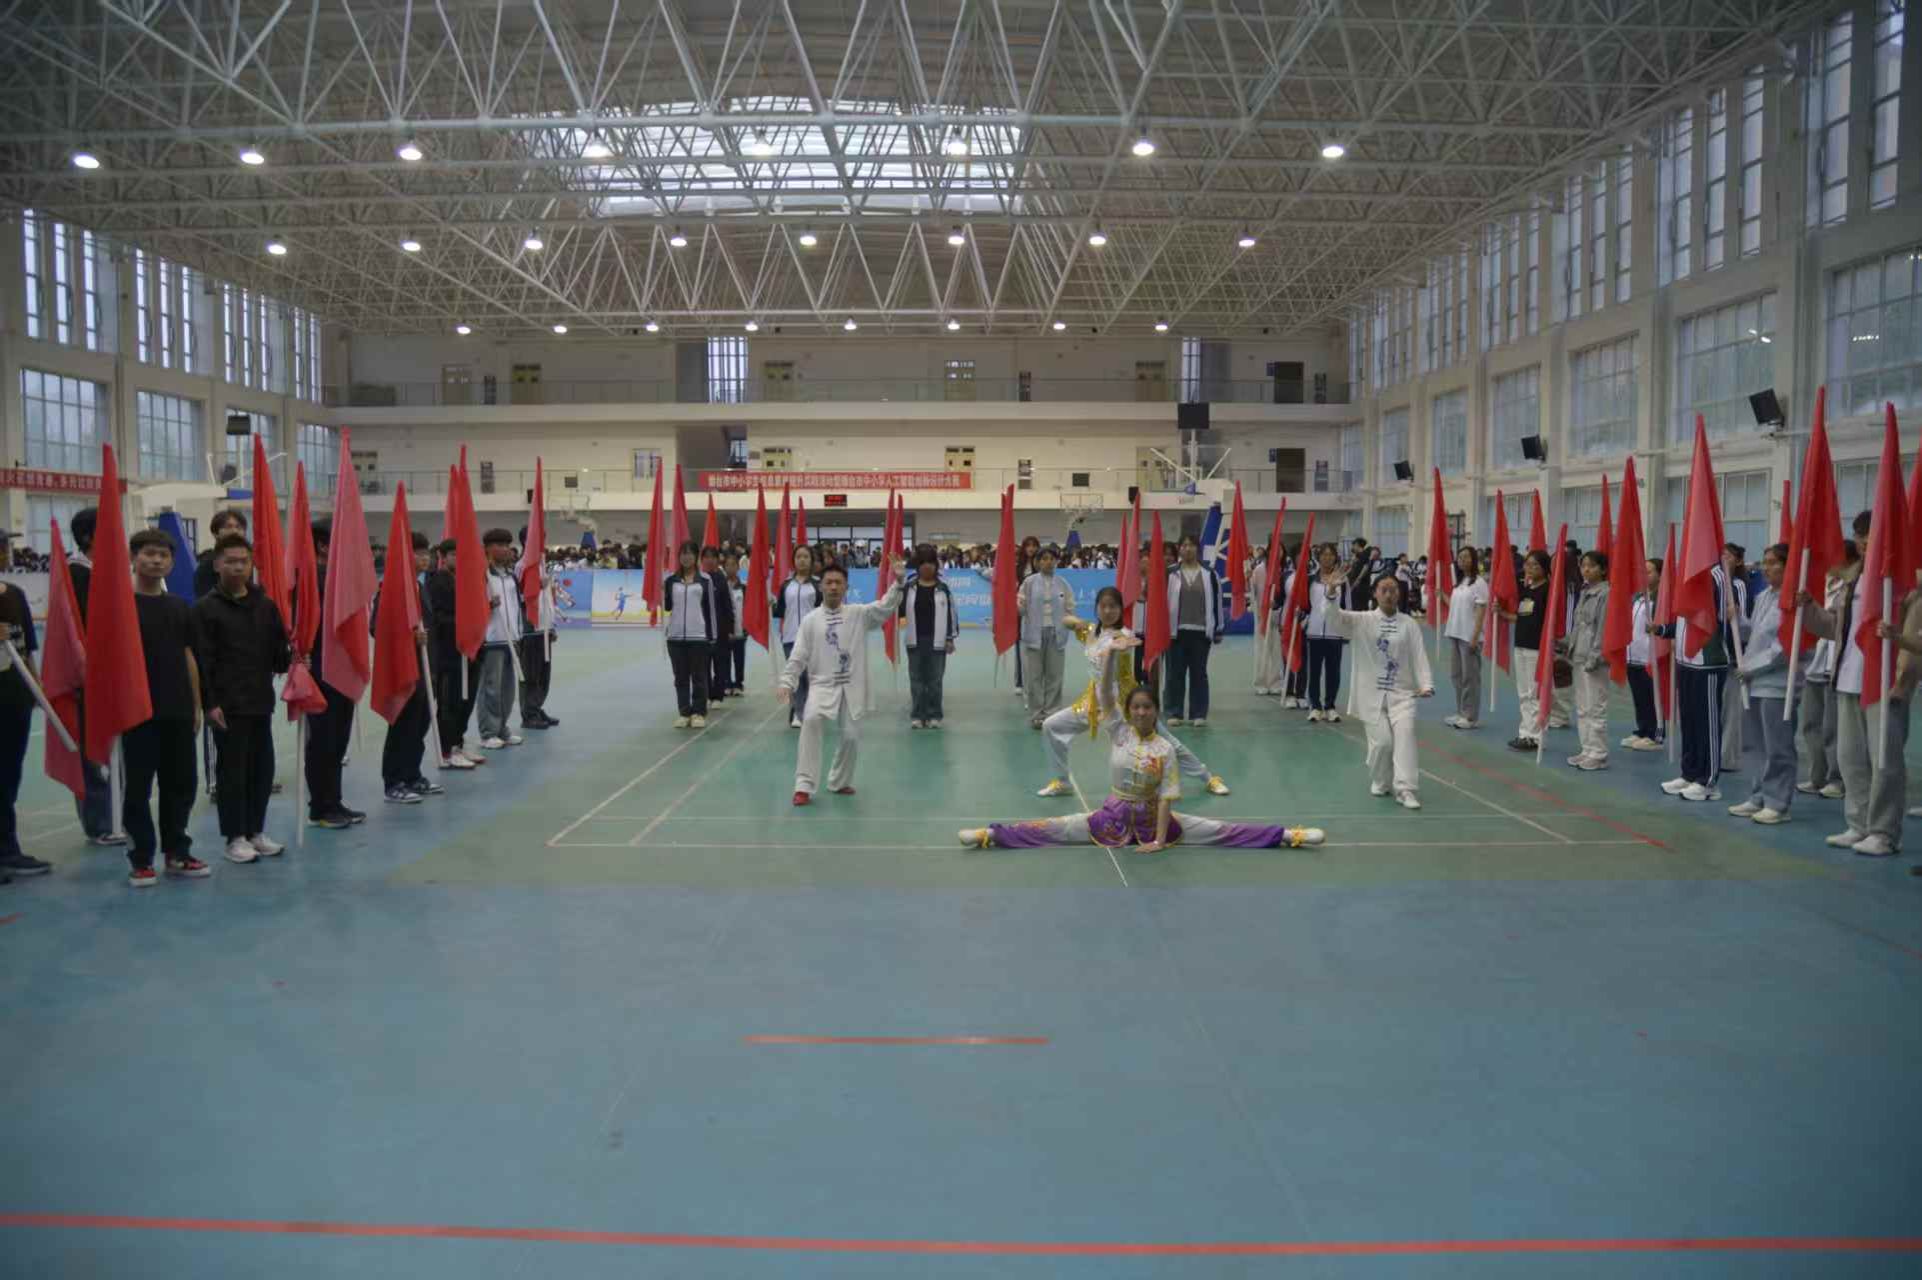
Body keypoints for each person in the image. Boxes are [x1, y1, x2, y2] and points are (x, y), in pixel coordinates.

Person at [962, 686, 1322, 851]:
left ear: (1156, 712)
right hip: (1110, 820)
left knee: (1220, 830)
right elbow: (1105, 695)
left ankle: (1288, 836)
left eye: (1147, 707)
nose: (1141, 712)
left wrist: (1160, 841)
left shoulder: (1165, 749)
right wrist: (1108, 655)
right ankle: (990, 835)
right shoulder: (1119, 733)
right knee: (1054, 828)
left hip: (1155, 821)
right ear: (1128, 711)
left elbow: (1166, 798)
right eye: (1135, 707)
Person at [1796, 511, 1920, 856]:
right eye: (1859, 535)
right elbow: (1834, 627)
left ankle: (1883, 832)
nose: (1863, 542)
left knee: (1884, 762)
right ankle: (1859, 824)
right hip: (1848, 679)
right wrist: (1809, 608)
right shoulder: (1853, 580)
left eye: (1871, 534)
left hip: (1885, 684)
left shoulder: (1906, 584)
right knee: (1849, 758)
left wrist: (1900, 669)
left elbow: (1914, 641)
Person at [1036, 586, 1230, 799]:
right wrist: (1077, 622)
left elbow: (1117, 654)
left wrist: (1114, 647)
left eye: (1113, 606)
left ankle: (1207, 777)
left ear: (1121, 609)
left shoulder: (1124, 636)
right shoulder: (1090, 632)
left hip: (1123, 703)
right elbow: (1065, 620)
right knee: (1051, 726)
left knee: (1166, 741)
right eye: (1103, 606)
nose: (1108, 611)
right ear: (1097, 608)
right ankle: (1062, 782)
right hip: (1093, 701)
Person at [118, 528, 211, 882]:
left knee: (181, 784)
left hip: (178, 709)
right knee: (138, 788)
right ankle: (141, 858)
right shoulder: (121, 606)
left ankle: (177, 852)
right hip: (137, 712)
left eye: (163, 555)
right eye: (149, 554)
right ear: (133, 557)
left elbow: (188, 655)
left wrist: (196, 704)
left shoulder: (179, 607)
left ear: (172, 562)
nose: (156, 560)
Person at [192, 534, 290, 864]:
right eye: (230, 561)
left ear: (251, 565)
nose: (238, 567)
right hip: (227, 706)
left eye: (243, 561)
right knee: (232, 773)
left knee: (262, 770)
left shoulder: (265, 605)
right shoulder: (205, 609)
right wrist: (209, 703)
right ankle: (234, 837)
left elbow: (278, 655)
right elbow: (202, 662)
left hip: (260, 701)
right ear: (217, 565)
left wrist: (293, 653)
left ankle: (255, 831)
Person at [778, 559, 904, 804]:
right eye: (829, 582)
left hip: (852, 686)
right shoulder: (811, 620)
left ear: (846, 587)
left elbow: (885, 606)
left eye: (838, 582)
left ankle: (839, 781)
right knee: (810, 721)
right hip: (821, 685)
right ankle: (803, 786)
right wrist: (787, 681)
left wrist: (898, 582)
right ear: (821, 587)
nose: (833, 587)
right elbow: (799, 654)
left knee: (850, 737)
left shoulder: (859, 614)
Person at [1327, 576, 1435, 809]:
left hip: (1402, 694)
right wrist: (1332, 594)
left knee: (1405, 736)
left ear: (1399, 594)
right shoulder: (1362, 620)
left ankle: (1405, 789)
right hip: (1370, 695)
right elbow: (1335, 620)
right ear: (1375, 593)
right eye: (1383, 589)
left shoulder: (1409, 624)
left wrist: (1426, 683)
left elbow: (1419, 655)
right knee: (1383, 744)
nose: (1388, 594)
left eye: (1393, 590)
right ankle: (1380, 779)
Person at [1654, 544, 1739, 804]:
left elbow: (1721, 620)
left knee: (1707, 724)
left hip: (1708, 661)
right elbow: (1685, 618)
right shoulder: (1688, 576)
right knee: (1689, 721)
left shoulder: (1717, 577)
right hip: (1685, 660)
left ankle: (1708, 781)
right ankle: (1689, 773)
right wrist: (1663, 630)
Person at [63, 507, 123, 846]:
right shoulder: (77, 574)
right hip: (89, 679)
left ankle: (116, 816)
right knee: (93, 752)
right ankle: (99, 823)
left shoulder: (109, 572)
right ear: (88, 536)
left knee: (115, 750)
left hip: (113, 676)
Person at [302, 519, 364, 829]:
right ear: (324, 545)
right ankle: (320, 807)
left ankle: (334, 800)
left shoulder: (339, 577)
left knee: (338, 739)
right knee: (324, 740)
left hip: (343, 666)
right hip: (321, 668)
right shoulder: (313, 578)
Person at [1729, 544, 1794, 824]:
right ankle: (1758, 795)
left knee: (1777, 746)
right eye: (1764, 562)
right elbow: (1755, 634)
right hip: (1753, 681)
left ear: (1787, 566)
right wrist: (1738, 620)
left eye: (1773, 562)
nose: (1766, 568)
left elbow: (1784, 648)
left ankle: (1777, 802)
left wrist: (1751, 668)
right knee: (1756, 744)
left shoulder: (1793, 600)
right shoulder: (1764, 596)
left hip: (1777, 684)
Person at [378, 532, 441, 804]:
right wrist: (409, 637)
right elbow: (377, 626)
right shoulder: (391, 589)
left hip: (425, 668)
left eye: (427, 553)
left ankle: (412, 774)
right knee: (402, 726)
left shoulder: (420, 586)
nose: (425, 558)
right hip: (404, 668)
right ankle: (394, 782)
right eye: (418, 553)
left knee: (420, 724)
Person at [0, 563, 49, 885]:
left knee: (7, 777)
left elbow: (27, 650)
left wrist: (36, 689)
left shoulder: (15, 595)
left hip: (14, 699)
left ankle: (7, 849)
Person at [1795, 549, 1856, 799]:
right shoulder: (1820, 585)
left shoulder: (1849, 590)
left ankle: (1837, 779)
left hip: (1833, 668)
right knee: (1810, 726)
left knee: (1833, 729)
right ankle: (1816, 776)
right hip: (1813, 667)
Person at [425, 538, 485, 771]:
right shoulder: (437, 582)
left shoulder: (466, 580)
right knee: (449, 703)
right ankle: (447, 750)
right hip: (449, 653)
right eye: (453, 555)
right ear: (443, 556)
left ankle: (458, 743)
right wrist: (463, 621)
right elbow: (437, 618)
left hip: (470, 650)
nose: (458, 560)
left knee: (466, 701)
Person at [1163, 534, 1223, 727]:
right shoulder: (1169, 573)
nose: (1188, 549)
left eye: (1191, 545)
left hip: (1201, 633)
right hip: (1175, 632)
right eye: (1184, 545)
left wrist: (1219, 628)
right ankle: (1174, 712)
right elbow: (1160, 604)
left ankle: (1198, 713)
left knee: (1199, 673)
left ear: (1198, 548)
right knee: (1174, 673)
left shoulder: (1210, 574)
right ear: (1179, 549)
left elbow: (1217, 603)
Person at [475, 528, 524, 749]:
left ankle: (502, 728)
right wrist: (487, 605)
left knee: (507, 690)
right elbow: (471, 607)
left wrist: (518, 634)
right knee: (491, 689)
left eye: (507, 545)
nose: (505, 550)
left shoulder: (510, 575)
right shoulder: (481, 575)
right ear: (487, 549)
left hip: (511, 639)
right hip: (491, 640)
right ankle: (488, 733)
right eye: (500, 545)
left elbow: (516, 606)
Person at [1501, 549, 1554, 752]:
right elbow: (1521, 617)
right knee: (1523, 693)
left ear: (1545, 568)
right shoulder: (1527, 589)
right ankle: (1525, 733)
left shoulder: (1548, 591)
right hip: (1520, 645)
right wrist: (1502, 613)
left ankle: (1537, 736)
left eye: (1535, 565)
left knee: (1535, 693)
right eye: (1527, 564)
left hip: (1537, 649)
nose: (1529, 568)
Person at [1017, 544, 1075, 728]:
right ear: (1037, 562)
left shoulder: (1063, 583)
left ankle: (1052, 713)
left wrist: (1071, 623)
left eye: (1052, 559)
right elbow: (1020, 606)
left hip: (1056, 634)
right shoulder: (1029, 583)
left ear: (1056, 561)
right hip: (1034, 633)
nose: (1048, 562)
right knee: (1034, 677)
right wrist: (1016, 605)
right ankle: (1036, 714)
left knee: (1054, 676)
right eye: (1044, 559)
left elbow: (1070, 607)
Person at [899, 546, 956, 728]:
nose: (926, 566)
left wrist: (950, 638)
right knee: (916, 680)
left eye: (930, 562)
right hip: (914, 641)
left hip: (937, 642)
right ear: (917, 565)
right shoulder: (908, 587)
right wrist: (897, 583)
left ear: (936, 565)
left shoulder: (943, 588)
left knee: (935, 681)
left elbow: (951, 615)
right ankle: (917, 715)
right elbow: (898, 609)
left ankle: (934, 715)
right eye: (922, 562)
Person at [1564, 550, 1611, 770]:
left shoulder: (1605, 594)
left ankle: (1599, 753)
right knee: (1582, 707)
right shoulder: (1584, 592)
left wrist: (1595, 657)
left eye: (1591, 566)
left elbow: (1602, 629)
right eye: (1583, 566)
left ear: (1603, 569)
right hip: (1579, 656)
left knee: (1596, 707)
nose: (1586, 570)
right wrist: (1568, 646)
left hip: (1595, 660)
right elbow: (1578, 626)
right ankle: (1587, 749)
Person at [664, 540, 716, 729]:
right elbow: (668, 606)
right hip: (675, 637)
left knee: (699, 677)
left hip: (699, 637)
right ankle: (684, 712)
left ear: (696, 557)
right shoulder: (671, 581)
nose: (686, 557)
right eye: (683, 554)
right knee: (680, 678)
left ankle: (698, 712)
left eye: (690, 553)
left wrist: (712, 636)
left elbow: (710, 611)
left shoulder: (705, 580)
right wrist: (661, 591)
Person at [772, 544, 821, 730]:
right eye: (798, 556)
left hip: (813, 638)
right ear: (793, 560)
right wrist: (770, 604)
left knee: (810, 677)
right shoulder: (786, 585)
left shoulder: (818, 585)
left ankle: (810, 710)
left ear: (811, 560)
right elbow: (780, 611)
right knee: (796, 677)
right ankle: (798, 713)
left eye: (806, 557)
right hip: (790, 637)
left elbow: (823, 610)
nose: (802, 560)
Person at [1442, 543, 1488, 730]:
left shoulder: (1479, 583)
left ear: (1474, 560)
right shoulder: (1460, 583)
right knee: (1457, 676)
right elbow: (1455, 606)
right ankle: (1461, 712)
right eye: (1460, 557)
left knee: (1470, 678)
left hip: (1469, 637)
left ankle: (1470, 717)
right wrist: (1441, 595)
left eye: (1466, 557)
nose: (1462, 560)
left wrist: (1475, 637)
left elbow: (1481, 611)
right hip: (1455, 633)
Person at [518, 526, 559, 731]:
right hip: (530, 629)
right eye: (537, 538)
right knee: (531, 674)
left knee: (544, 674)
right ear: (525, 541)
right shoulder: (522, 566)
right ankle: (529, 714)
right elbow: (517, 598)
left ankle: (537, 707)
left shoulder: (542, 565)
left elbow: (548, 600)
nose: (542, 542)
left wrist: (552, 626)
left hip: (544, 628)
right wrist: (535, 587)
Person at [1304, 543, 1348, 722]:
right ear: (1318, 557)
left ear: (1335, 557)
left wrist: (1346, 629)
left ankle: (1330, 706)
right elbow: (1305, 605)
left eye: (1330, 555)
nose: (1327, 558)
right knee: (1314, 672)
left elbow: (1347, 605)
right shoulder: (1310, 580)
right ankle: (1315, 706)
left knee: (1333, 672)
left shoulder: (1343, 580)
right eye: (1324, 554)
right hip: (1314, 631)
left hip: (1335, 632)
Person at [1624, 558, 1665, 750]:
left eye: (1649, 572)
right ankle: (1642, 730)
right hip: (1633, 655)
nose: (1644, 576)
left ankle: (1655, 735)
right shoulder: (1638, 597)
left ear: (1660, 575)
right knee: (1639, 697)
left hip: (1650, 657)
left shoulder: (1661, 600)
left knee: (1652, 697)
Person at [1719, 542, 1753, 771]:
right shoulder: (1716, 583)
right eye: (1721, 555)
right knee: (1720, 709)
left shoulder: (1738, 585)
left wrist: (1736, 613)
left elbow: (1741, 619)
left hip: (1733, 655)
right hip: (1716, 657)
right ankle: (1717, 754)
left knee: (1732, 711)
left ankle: (1728, 758)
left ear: (1738, 561)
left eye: (1728, 556)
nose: (1723, 559)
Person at [701, 545, 736, 705]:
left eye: (712, 557)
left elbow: (728, 605)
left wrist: (730, 628)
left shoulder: (721, 579)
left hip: (721, 630)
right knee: (704, 665)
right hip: (702, 630)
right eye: (706, 557)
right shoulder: (699, 579)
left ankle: (718, 695)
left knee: (720, 664)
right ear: (702, 560)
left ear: (717, 560)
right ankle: (708, 694)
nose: (709, 560)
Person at [193, 508, 248, 597]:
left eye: (238, 527)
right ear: (216, 533)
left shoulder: (249, 560)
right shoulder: (207, 564)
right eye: (228, 527)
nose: (235, 531)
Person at [722, 549, 747, 695]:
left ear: (738, 567)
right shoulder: (721, 586)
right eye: (728, 565)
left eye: (733, 565)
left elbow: (748, 608)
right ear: (724, 567)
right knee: (725, 659)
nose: (730, 567)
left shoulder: (744, 587)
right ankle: (727, 684)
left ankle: (738, 684)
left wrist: (746, 628)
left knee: (739, 659)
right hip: (725, 630)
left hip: (740, 629)